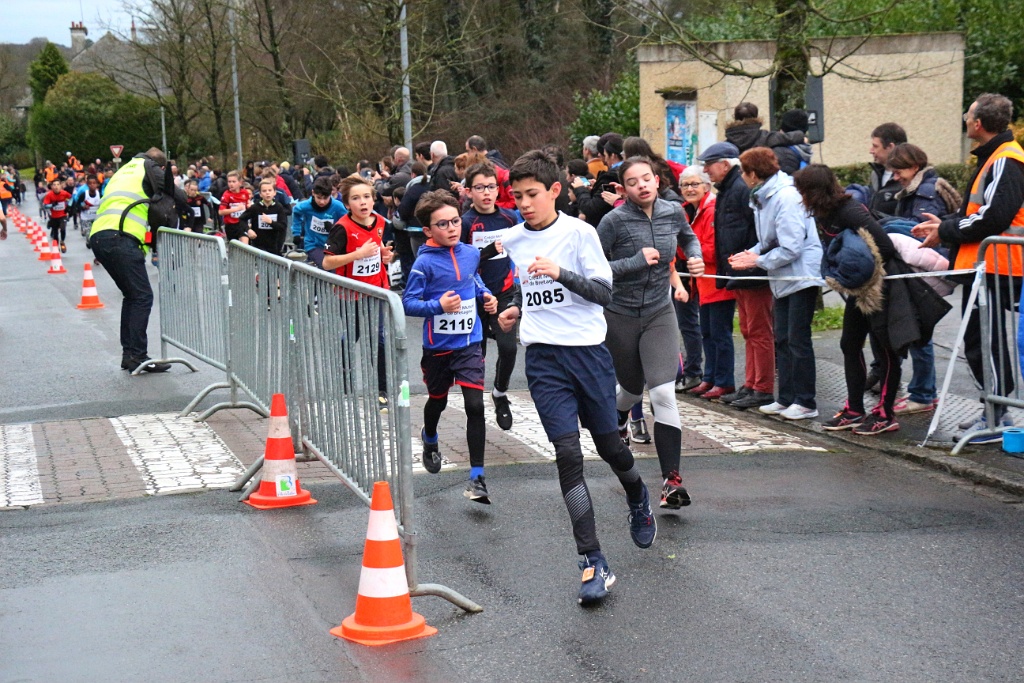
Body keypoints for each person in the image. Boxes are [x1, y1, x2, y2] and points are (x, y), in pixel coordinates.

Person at [495, 150, 657, 606]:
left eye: (531, 194)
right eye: (517, 196)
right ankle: (593, 559)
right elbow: (527, 285)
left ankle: (637, 493)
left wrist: (560, 272)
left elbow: (603, 292)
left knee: (609, 447)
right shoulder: (514, 239)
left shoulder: (581, 233)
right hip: (544, 360)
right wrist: (514, 306)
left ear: (554, 191)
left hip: (588, 355)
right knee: (568, 454)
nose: (524, 204)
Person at [912, 93, 1024, 444]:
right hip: (990, 265)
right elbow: (978, 212)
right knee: (981, 339)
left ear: (977, 123)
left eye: (967, 115)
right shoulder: (996, 156)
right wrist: (945, 225)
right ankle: (995, 410)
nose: (964, 120)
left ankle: (996, 415)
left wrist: (945, 230)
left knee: (984, 341)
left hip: (1001, 265)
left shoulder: (1006, 159)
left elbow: (993, 217)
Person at [597, 155, 702, 509]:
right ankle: (619, 418)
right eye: (632, 182)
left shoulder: (673, 211)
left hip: (659, 311)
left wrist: (695, 256)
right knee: (629, 389)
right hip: (620, 315)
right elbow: (594, 267)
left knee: (662, 392)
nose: (641, 185)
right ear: (623, 189)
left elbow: (688, 237)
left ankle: (671, 481)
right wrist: (634, 262)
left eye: (646, 178)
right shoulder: (613, 221)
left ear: (656, 180)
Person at [793, 164, 904, 434]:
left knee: (884, 349)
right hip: (858, 290)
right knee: (850, 344)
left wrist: (862, 271)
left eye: (802, 191)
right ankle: (854, 409)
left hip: (879, 288)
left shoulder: (849, 210)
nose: (800, 197)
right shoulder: (823, 213)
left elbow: (885, 246)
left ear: (814, 191)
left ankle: (885, 414)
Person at [403, 190, 498, 502]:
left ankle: (477, 477)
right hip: (438, 347)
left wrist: (486, 295)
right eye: (442, 224)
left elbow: (473, 281)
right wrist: (438, 306)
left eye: (455, 221)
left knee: (475, 406)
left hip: (469, 342)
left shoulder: (470, 253)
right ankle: (430, 436)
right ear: (428, 230)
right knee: (438, 400)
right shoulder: (424, 263)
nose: (452, 228)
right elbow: (408, 303)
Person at [729, 147, 823, 420]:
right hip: (782, 277)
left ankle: (806, 401)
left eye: (743, 172)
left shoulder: (785, 196)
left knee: (797, 340)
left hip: (800, 276)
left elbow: (791, 247)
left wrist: (757, 261)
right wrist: (750, 254)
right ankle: (786, 398)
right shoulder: (764, 196)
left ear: (753, 174)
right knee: (782, 338)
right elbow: (769, 240)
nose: (742, 177)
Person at [89, 147, 186, 373]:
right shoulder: (149, 167)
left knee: (132, 296)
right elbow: (179, 195)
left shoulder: (124, 169)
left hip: (100, 236)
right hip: (121, 237)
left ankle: (129, 355)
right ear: (162, 167)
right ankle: (137, 355)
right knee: (142, 296)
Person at [885, 143, 962, 415]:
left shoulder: (924, 193)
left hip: (928, 269)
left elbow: (919, 234)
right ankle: (924, 390)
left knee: (920, 331)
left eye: (899, 171)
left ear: (914, 167)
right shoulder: (924, 187)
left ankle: (922, 394)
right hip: (932, 267)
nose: (896, 177)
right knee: (921, 331)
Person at [700, 142, 776, 409]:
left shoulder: (739, 188)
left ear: (724, 164)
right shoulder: (730, 189)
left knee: (758, 330)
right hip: (739, 269)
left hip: (751, 270)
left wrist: (750, 262)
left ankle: (762, 387)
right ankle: (751, 384)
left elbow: (757, 231)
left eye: (709, 165)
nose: (706, 170)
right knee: (748, 329)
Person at [322, 175, 394, 411]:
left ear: (373, 200)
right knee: (352, 337)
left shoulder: (380, 221)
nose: (362, 202)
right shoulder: (342, 228)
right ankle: (345, 384)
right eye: (355, 198)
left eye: (366, 197)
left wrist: (384, 255)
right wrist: (357, 255)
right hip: (350, 294)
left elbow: (377, 247)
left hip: (377, 290)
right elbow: (327, 263)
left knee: (379, 339)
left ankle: (382, 391)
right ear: (347, 204)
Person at [460, 161, 522, 430]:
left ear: (498, 190)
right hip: (474, 297)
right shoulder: (465, 223)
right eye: (479, 187)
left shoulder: (509, 218)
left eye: (491, 187)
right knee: (478, 355)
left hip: (504, 293)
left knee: (508, 348)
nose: (486, 192)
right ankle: (475, 408)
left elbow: (519, 247)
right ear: (468, 192)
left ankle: (500, 393)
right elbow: (461, 262)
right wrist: (484, 253)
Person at [679, 166, 737, 400]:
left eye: (695, 184)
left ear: (706, 186)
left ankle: (724, 381)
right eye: (685, 185)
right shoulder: (687, 211)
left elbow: (714, 250)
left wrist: (691, 250)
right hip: (702, 283)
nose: (690, 189)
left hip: (717, 281)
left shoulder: (711, 210)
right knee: (707, 333)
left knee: (720, 334)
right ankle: (710, 378)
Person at [291, 176, 348, 267]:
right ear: (313, 193)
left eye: (325, 198)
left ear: (331, 194)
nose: (322, 202)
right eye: (319, 197)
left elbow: (347, 223)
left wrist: (334, 228)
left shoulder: (338, 207)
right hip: (313, 244)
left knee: (335, 269)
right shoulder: (305, 206)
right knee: (326, 265)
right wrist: (296, 233)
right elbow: (296, 212)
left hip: (332, 245)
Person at [574, 133, 623, 228]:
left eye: (604, 153)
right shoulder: (623, 171)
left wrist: (580, 188)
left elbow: (593, 209)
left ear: (612, 155)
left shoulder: (611, 176)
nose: (599, 155)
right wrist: (596, 188)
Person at [237, 178, 291, 254]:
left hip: (275, 245)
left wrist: (271, 222)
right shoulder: (255, 207)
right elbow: (242, 219)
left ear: (274, 193)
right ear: (260, 194)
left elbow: (283, 226)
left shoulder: (279, 207)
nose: (267, 193)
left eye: (270, 190)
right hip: (258, 245)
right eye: (264, 191)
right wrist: (248, 230)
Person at [867, 122, 907, 216]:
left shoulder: (909, 178)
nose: (871, 151)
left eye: (875, 146)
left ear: (890, 147)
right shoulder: (875, 174)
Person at [218, 171, 252, 242]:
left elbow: (247, 206)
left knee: (244, 244)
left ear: (240, 183)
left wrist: (249, 206)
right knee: (234, 245)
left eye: (234, 181)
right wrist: (236, 209)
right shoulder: (226, 195)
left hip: (242, 223)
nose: (231, 184)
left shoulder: (245, 193)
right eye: (229, 182)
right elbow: (221, 212)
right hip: (231, 225)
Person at [42, 179, 72, 253]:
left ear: (61, 186)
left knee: (63, 229)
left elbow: (71, 198)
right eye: (54, 185)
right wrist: (52, 205)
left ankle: (62, 242)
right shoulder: (49, 195)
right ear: (52, 187)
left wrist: (69, 206)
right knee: (55, 233)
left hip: (63, 215)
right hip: (54, 216)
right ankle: (56, 246)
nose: (56, 187)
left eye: (58, 185)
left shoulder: (64, 193)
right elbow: (45, 205)